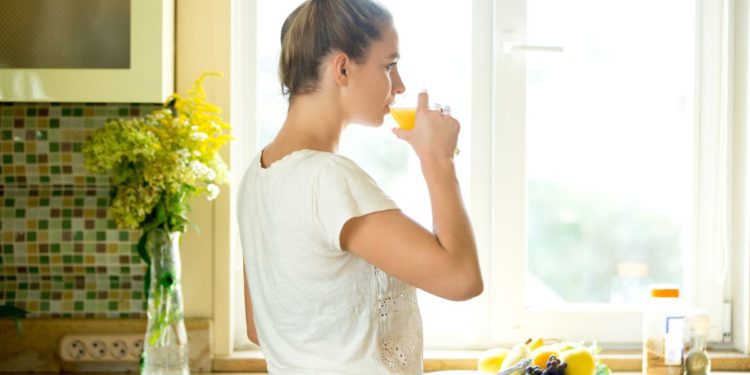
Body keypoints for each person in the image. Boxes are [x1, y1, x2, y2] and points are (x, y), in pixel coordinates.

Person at [236, 0, 483, 373]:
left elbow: (261, 329)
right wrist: (439, 160)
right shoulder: (327, 178)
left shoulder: (256, 177)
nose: (399, 85)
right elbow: (462, 279)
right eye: (389, 65)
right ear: (343, 67)